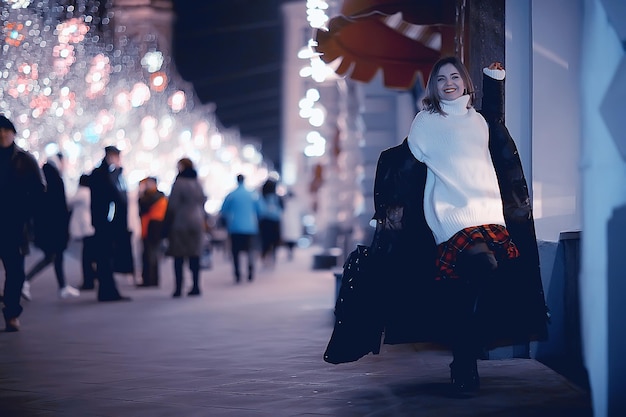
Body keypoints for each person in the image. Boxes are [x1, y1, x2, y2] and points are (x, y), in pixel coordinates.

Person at [323, 58, 549, 395]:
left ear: (465, 82)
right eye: (441, 78)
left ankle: (463, 356)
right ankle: (465, 359)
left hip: (489, 217)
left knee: (473, 291)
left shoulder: (479, 121)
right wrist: (387, 212)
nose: (448, 83)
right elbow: (404, 166)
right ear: (433, 86)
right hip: (451, 219)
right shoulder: (426, 121)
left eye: (455, 77)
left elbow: (496, 119)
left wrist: (494, 79)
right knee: (481, 268)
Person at [0, 115, 46, 331]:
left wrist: (26, 213)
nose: (2, 134)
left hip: (14, 225)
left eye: (6, 130)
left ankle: (11, 312)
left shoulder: (24, 159)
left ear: (13, 133)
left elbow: (39, 190)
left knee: (15, 272)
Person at [21, 152, 80, 300]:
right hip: (54, 228)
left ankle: (62, 286)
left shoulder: (45, 175)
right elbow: (57, 207)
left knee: (54, 256)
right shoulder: (54, 178)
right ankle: (25, 281)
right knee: (52, 256)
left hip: (48, 227)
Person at [89, 145, 131, 302]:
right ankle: (107, 291)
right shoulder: (105, 174)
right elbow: (115, 196)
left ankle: (107, 290)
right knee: (105, 257)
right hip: (106, 223)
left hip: (104, 222)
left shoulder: (104, 173)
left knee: (105, 257)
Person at [163, 158, 206, 297]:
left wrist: (166, 224)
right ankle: (196, 286)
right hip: (197, 222)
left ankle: (178, 288)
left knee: (178, 256)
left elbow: (172, 205)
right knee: (195, 255)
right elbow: (203, 200)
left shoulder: (179, 183)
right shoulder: (198, 183)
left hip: (180, 223)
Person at [220, 174, 261, 283]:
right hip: (250, 227)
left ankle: (237, 274)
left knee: (235, 252)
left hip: (235, 227)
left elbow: (223, 210)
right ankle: (250, 271)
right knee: (250, 250)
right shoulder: (252, 194)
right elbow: (261, 210)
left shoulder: (232, 195)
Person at [67, 174, 98, 290]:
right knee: (90, 255)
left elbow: (69, 201)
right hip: (90, 226)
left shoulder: (82, 192)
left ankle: (88, 280)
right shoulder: (90, 192)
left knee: (86, 257)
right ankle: (93, 276)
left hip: (84, 227)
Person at [138, 177, 167, 287]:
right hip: (153, 227)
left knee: (150, 254)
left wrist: (141, 193)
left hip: (152, 228)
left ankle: (150, 279)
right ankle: (151, 279)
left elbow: (143, 206)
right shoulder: (159, 196)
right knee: (151, 254)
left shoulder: (154, 196)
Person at [257, 178, 283, 268]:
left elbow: (259, 210)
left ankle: (265, 257)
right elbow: (282, 209)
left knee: (266, 241)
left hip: (265, 222)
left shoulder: (262, 197)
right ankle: (271, 258)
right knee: (273, 241)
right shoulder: (276, 198)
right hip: (273, 222)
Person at [280, 188, 302, 261]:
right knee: (291, 239)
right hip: (292, 224)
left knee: (289, 239)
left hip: (290, 224)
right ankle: (290, 252)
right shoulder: (295, 204)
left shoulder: (286, 204)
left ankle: (290, 252)